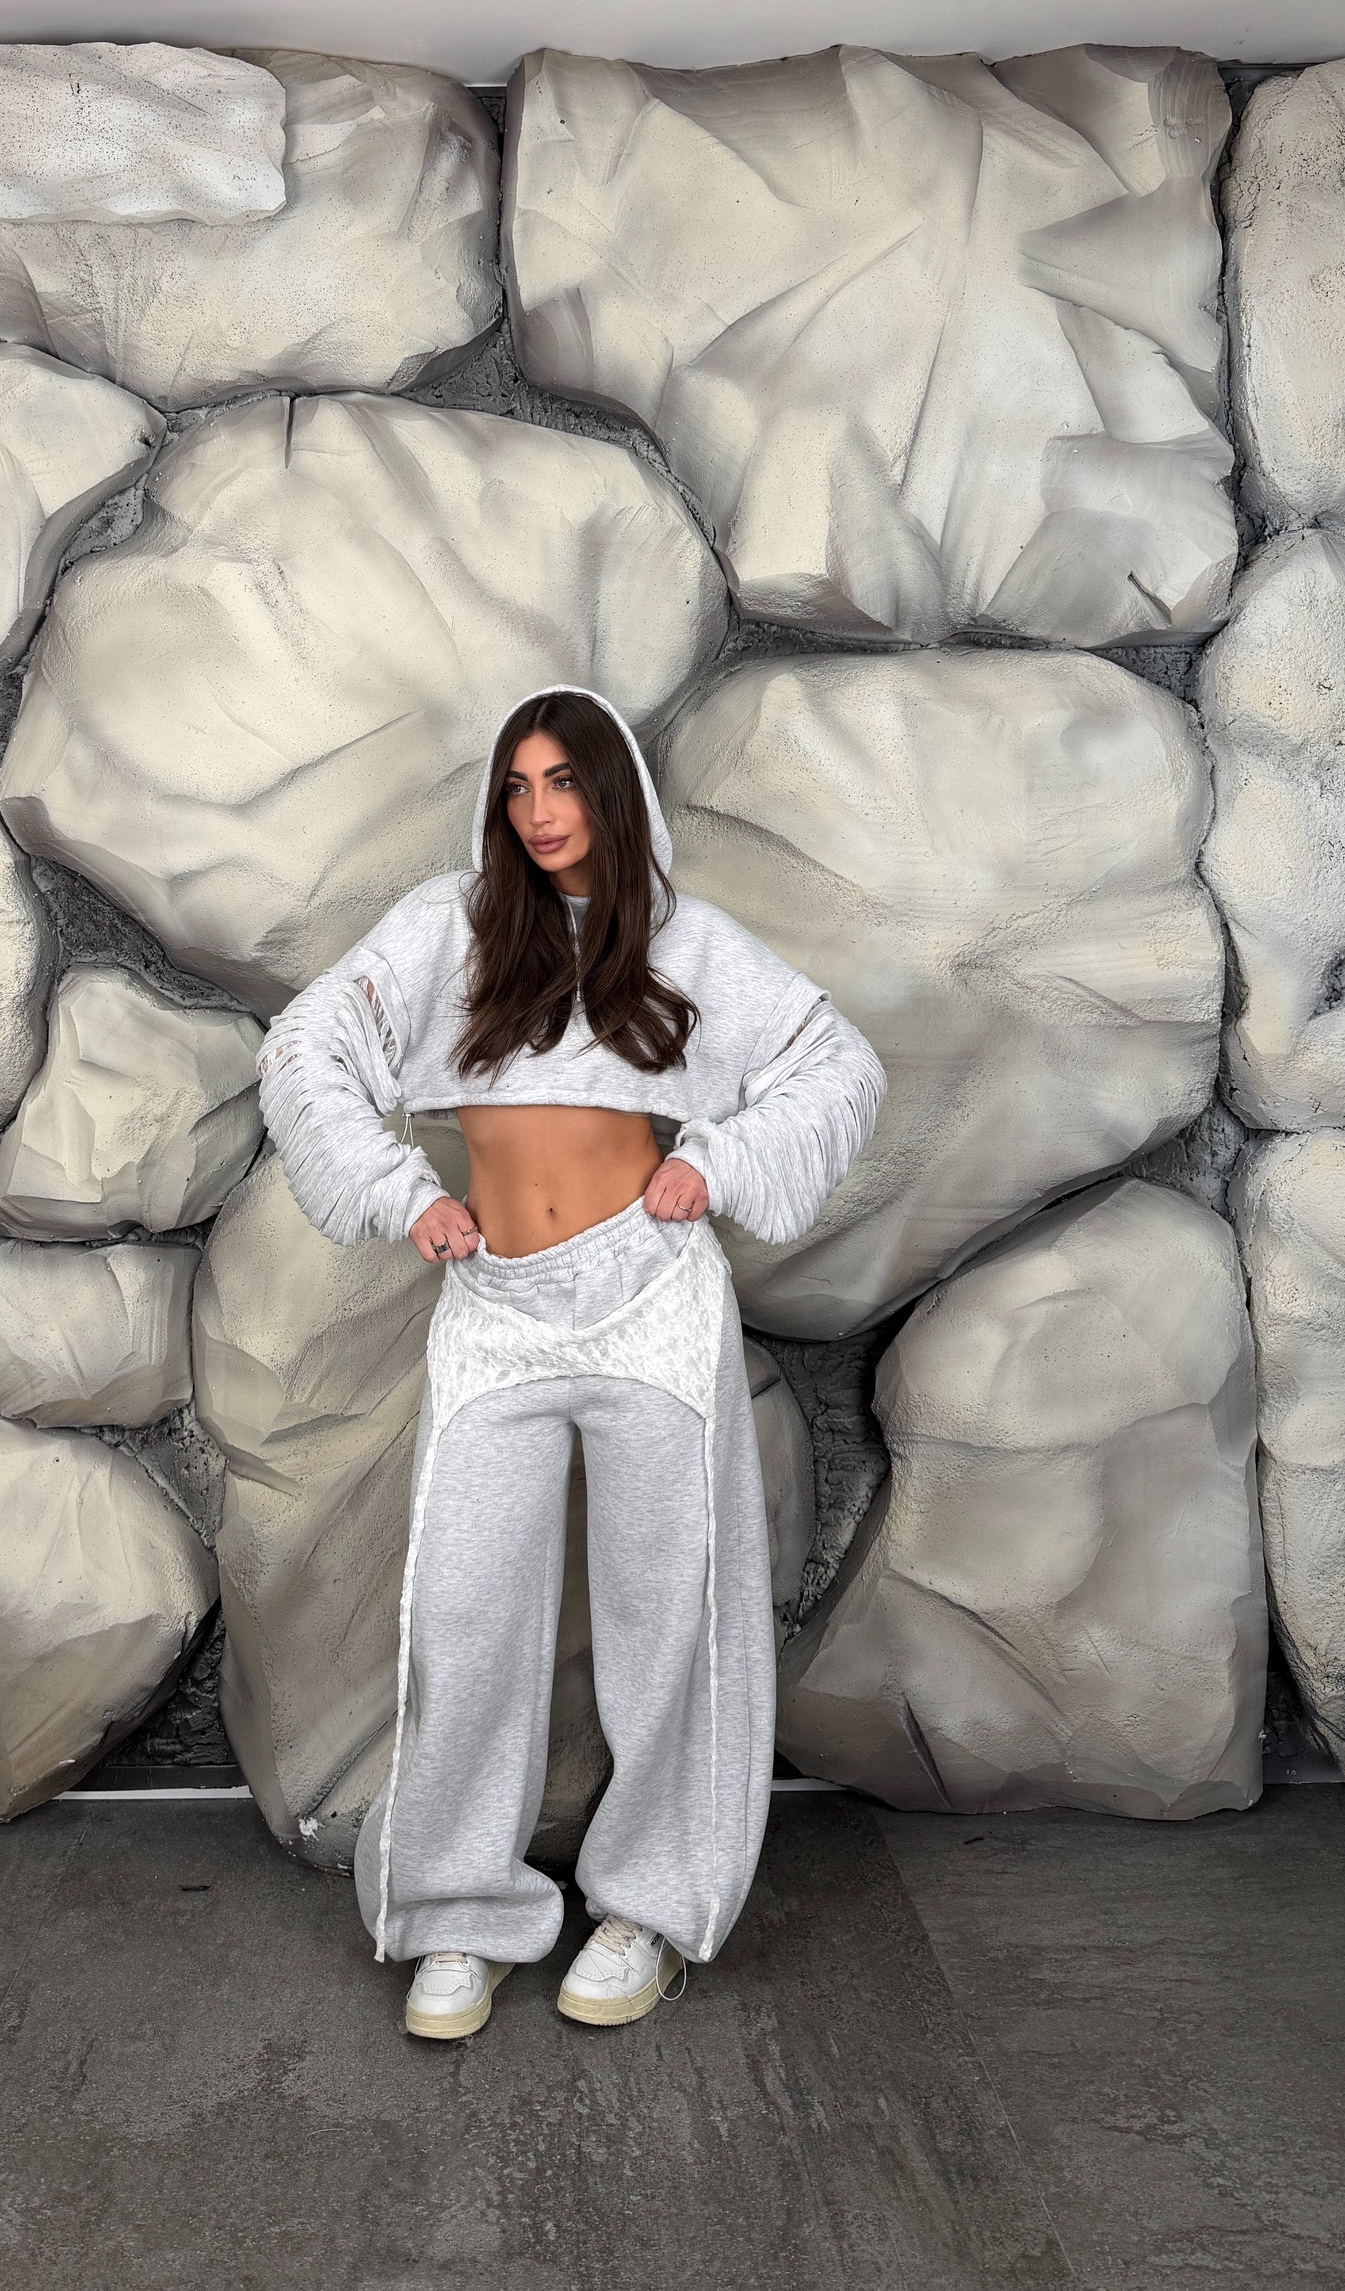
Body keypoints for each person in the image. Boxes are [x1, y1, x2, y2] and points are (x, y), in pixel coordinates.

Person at [256, 685, 885, 2041]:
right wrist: (398, 1193)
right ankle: (458, 1915)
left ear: (613, 791)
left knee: (670, 1615)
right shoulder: (452, 928)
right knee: (466, 1616)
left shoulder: (685, 943)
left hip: (652, 1300)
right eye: (517, 786)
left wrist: (720, 1161)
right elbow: (309, 1044)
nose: (539, 813)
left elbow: (835, 1067)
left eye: (564, 782)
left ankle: (646, 1909)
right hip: (497, 1306)